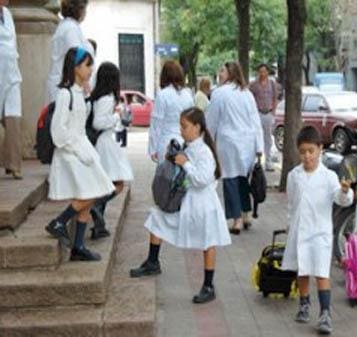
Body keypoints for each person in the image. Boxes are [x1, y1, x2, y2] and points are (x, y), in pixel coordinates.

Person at [130, 107, 231, 304]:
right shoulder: (189, 146)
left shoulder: (204, 151)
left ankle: (208, 285)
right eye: (181, 126)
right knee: (156, 217)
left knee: (208, 241)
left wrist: (185, 163)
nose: (181, 130)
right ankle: (152, 261)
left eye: (185, 127)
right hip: (186, 202)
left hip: (203, 205)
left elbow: (202, 179)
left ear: (197, 127)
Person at [281, 126, 353, 335]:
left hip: (320, 232)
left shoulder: (329, 176)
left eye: (311, 151)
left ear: (320, 149)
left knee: (321, 272)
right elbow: (292, 202)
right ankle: (304, 304)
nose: (307, 156)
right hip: (299, 230)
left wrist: (345, 192)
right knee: (302, 269)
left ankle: (325, 313)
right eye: (303, 151)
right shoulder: (294, 175)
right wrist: (289, 223)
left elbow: (341, 199)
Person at [45, 47, 115, 261]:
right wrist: (78, 150)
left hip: (82, 148)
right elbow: (58, 132)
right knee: (90, 193)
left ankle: (78, 247)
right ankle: (59, 221)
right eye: (87, 64)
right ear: (75, 68)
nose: (91, 69)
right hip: (70, 152)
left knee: (95, 191)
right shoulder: (65, 94)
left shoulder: (79, 92)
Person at [206, 61, 264, 234]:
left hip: (228, 142)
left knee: (230, 179)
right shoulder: (246, 94)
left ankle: (236, 219)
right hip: (247, 143)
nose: (219, 73)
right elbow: (255, 121)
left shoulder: (219, 93)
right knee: (242, 179)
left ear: (231, 73)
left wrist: (207, 141)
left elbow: (212, 121)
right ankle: (246, 214)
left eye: (222, 70)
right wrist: (259, 146)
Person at [90, 62, 134, 239]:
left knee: (107, 183)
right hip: (105, 143)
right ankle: (95, 207)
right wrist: (117, 115)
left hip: (105, 142)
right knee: (117, 183)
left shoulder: (98, 97)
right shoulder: (107, 99)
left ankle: (99, 224)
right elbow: (98, 122)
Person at [47, 0, 94, 102]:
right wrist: (85, 81)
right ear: (79, 10)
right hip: (65, 88)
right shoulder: (70, 28)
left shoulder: (70, 26)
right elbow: (77, 56)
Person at [148, 60, 193, 163]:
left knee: (166, 177)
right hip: (184, 143)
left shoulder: (163, 95)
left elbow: (156, 124)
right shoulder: (188, 95)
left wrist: (153, 148)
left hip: (166, 143)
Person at [0, 1, 22, 179]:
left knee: (13, 117)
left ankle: (13, 165)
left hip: (11, 72)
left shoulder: (7, 13)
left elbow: (12, 42)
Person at [249, 64, 278, 171]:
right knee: (256, 137)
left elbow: (275, 97)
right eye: (260, 71)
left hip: (269, 113)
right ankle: (257, 161)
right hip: (258, 114)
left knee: (268, 139)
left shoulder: (272, 83)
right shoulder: (253, 85)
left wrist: (273, 112)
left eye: (264, 71)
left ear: (267, 72)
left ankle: (268, 162)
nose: (262, 73)